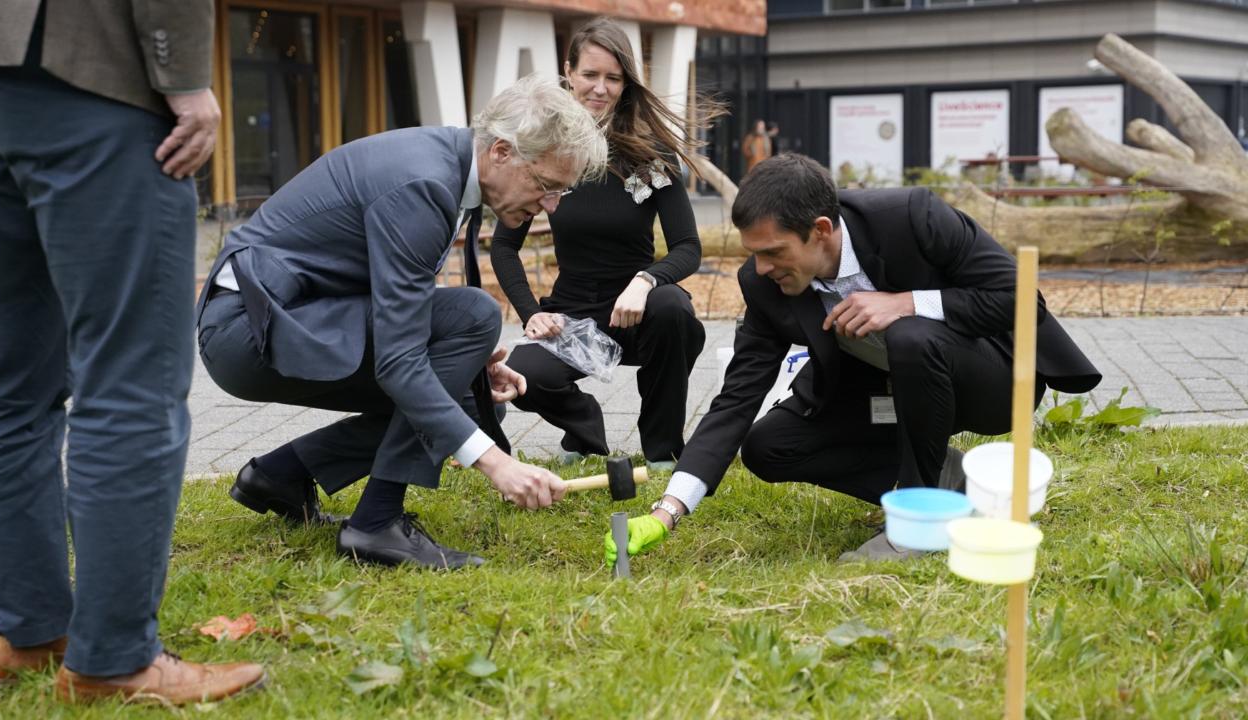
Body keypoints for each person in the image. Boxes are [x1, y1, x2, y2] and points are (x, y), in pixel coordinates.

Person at [0, 0, 265, 705]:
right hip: (87, 63)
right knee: (132, 374)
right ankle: (116, 659)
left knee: (2, 378)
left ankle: (29, 631)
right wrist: (183, 74)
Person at [196, 75, 608, 570]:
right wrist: (497, 465)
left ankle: (282, 475)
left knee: (473, 404)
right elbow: (399, 361)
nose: (551, 206)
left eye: (559, 192)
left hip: (275, 317)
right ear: (501, 152)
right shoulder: (424, 183)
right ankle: (376, 525)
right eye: (545, 186)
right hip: (249, 329)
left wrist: (470, 368)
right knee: (475, 316)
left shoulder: (449, 167)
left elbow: (402, 308)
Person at [606, 154, 1101, 564]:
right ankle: (955, 484)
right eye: (753, 253)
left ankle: (916, 526)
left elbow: (1021, 300)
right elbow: (737, 398)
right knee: (768, 445)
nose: (761, 268)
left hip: (984, 378)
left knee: (909, 335)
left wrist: (907, 302)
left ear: (821, 230)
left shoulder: (913, 215)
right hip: (881, 398)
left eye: (774, 251)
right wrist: (668, 509)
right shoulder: (764, 284)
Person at [491, 17, 722, 470]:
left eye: (613, 78)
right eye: (590, 75)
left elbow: (688, 247)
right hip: (574, 318)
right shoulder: (545, 150)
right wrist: (532, 314)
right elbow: (503, 246)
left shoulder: (651, 155)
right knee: (525, 378)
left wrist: (645, 281)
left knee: (673, 308)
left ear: (626, 83)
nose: (600, 88)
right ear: (568, 73)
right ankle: (586, 430)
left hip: (638, 315)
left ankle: (662, 451)